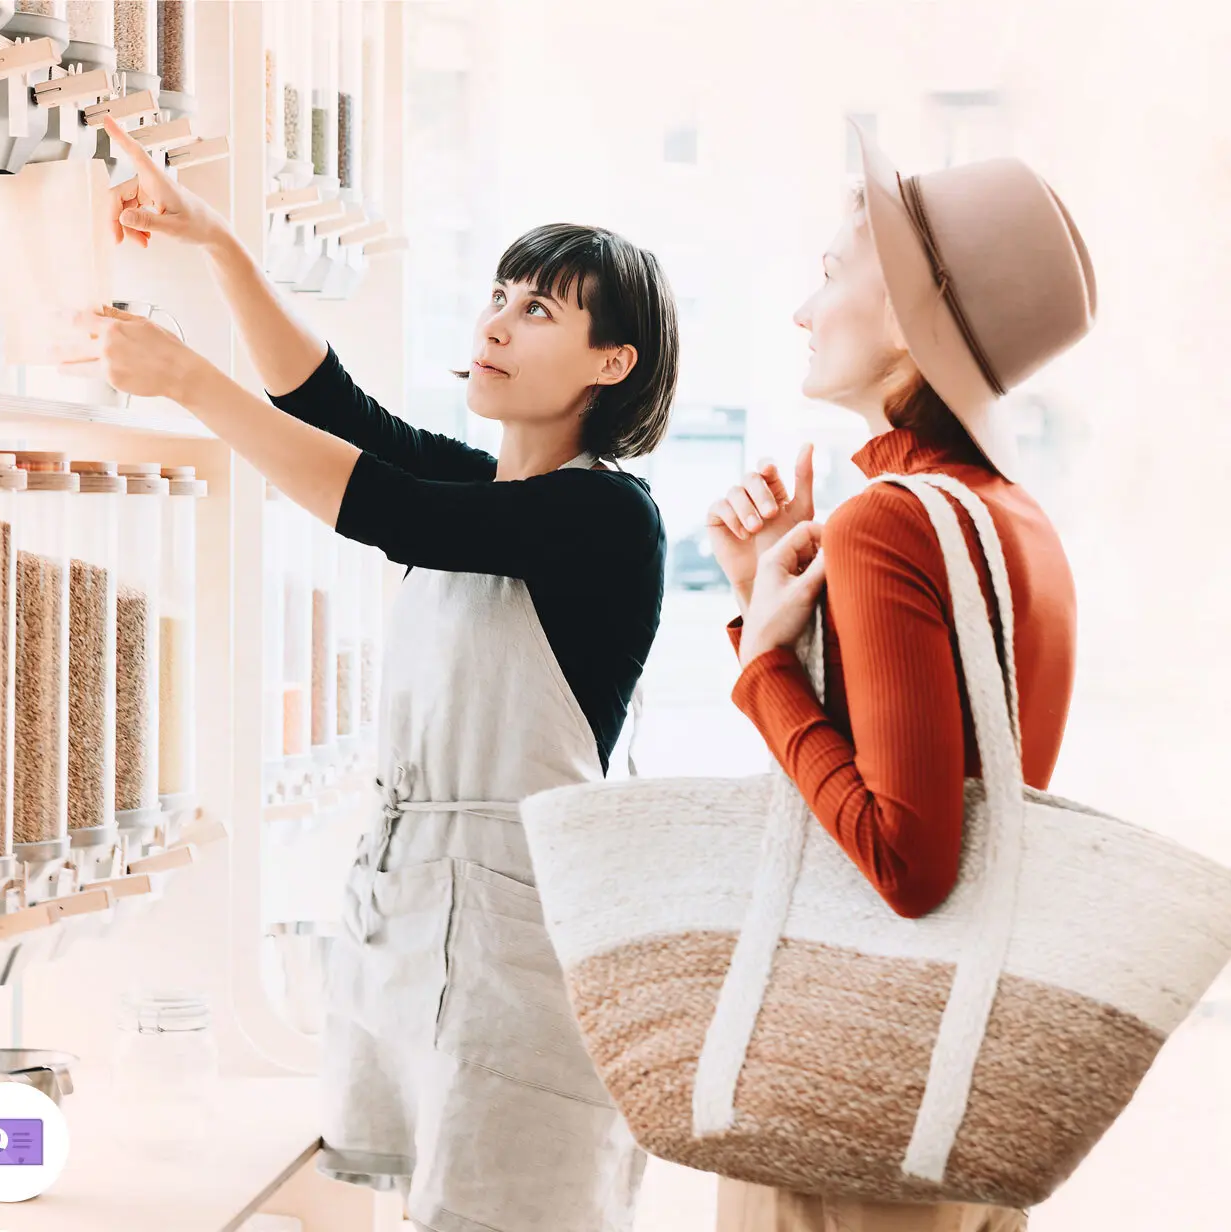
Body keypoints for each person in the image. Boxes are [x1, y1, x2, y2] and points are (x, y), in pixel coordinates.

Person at [82, 117, 679, 1232]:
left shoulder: (605, 516)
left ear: (614, 363)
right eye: (500, 294)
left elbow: (385, 506)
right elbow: (336, 414)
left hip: (520, 961)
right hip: (420, 930)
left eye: (538, 307)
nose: (496, 321)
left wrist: (188, 382)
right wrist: (219, 245)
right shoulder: (497, 496)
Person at [705, 122, 1096, 1232]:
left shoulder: (883, 523)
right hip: (967, 1079)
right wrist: (766, 610)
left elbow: (906, 859)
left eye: (830, 274)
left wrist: (762, 660)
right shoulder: (1015, 521)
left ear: (912, 328)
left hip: (851, 1089)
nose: (801, 309)